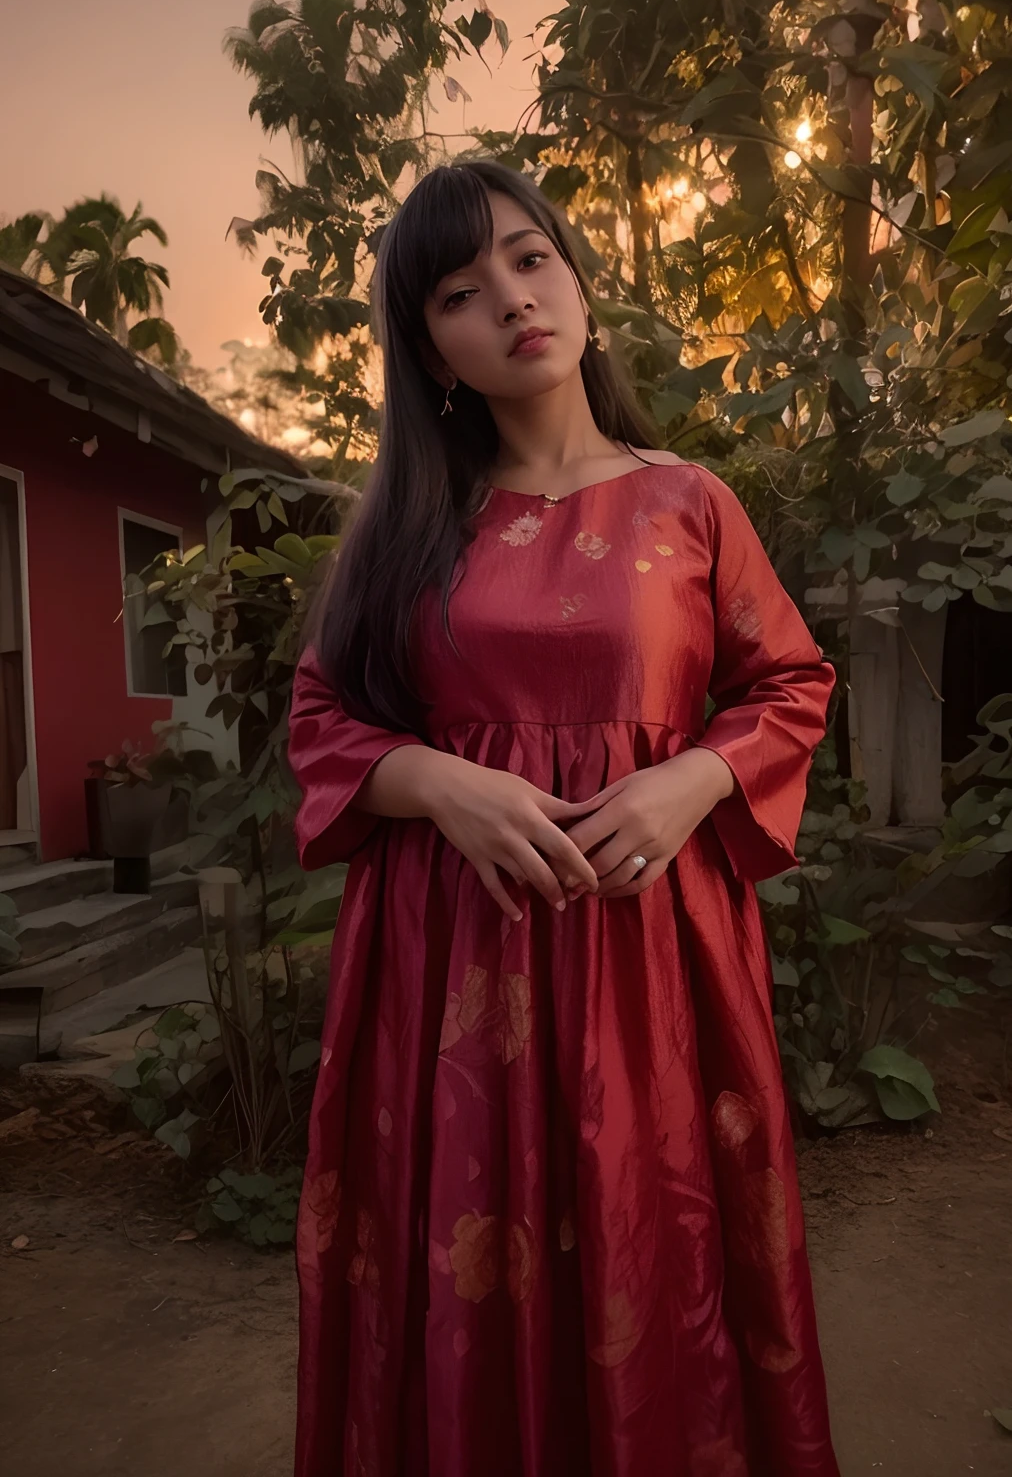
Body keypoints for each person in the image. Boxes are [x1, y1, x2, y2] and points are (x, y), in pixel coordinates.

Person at [287, 158, 840, 1477]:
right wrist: (436, 781)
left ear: (582, 284)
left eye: (533, 260)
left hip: (659, 959)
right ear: (432, 349)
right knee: (469, 1263)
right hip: (453, 972)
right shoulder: (406, 527)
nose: (514, 303)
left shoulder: (690, 500)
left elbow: (791, 683)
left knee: (664, 1251)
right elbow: (319, 720)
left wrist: (693, 776)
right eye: (463, 293)